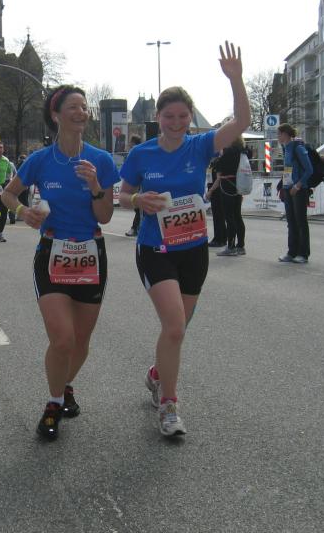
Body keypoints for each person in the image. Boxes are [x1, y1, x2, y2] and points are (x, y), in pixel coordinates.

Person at [118, 41, 249, 436]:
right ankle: (169, 405)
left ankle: (158, 373)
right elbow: (121, 196)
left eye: (182, 116)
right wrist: (138, 200)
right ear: (157, 117)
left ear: (190, 117)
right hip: (155, 248)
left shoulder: (200, 146)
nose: (175, 122)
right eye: (168, 116)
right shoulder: (142, 154)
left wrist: (236, 79)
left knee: (180, 327)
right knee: (174, 325)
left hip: (193, 249)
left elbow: (242, 121)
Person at [2, 85, 120, 440]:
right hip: (52, 253)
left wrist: (96, 186)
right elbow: (8, 193)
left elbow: (105, 216)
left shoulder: (101, 160)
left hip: (91, 254)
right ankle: (53, 403)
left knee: (81, 341)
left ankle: (65, 385)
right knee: (62, 338)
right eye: (73, 107)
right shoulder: (41, 160)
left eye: (84, 107)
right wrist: (23, 211)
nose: (81, 112)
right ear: (55, 115)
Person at [277, 124, 313, 264]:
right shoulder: (286, 148)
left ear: (286, 134)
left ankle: (303, 253)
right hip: (288, 188)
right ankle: (292, 252)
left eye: (279, 134)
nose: (278, 137)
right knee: (291, 221)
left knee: (300, 221)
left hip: (299, 189)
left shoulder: (298, 148)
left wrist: (298, 185)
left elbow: (309, 170)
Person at [212, 135, 247, 256]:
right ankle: (241, 246)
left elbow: (218, 168)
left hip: (227, 186)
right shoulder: (243, 152)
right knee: (237, 216)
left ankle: (231, 247)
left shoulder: (228, 153)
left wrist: (219, 157)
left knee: (229, 217)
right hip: (239, 185)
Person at [205, 156, 227, 248]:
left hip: (218, 192)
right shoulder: (211, 163)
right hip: (214, 191)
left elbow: (218, 179)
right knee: (216, 216)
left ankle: (220, 239)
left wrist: (210, 191)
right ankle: (219, 238)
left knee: (219, 216)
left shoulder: (218, 162)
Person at [125, 134, 143, 237]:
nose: (129, 143)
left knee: (138, 208)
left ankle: (135, 228)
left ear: (133, 142)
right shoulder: (140, 151)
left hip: (138, 183)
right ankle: (136, 228)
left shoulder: (135, 151)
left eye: (130, 141)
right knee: (138, 208)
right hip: (138, 182)